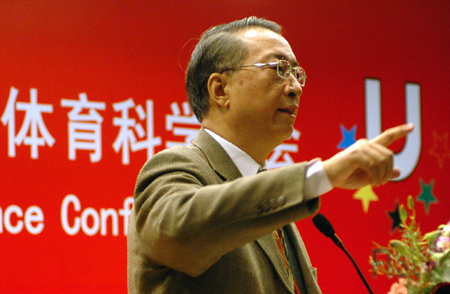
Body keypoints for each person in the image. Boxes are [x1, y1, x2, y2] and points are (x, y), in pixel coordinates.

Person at [127, 16, 414, 294]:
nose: (296, 88)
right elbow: (180, 235)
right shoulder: (176, 166)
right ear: (220, 89)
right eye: (279, 68)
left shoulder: (274, 205)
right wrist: (321, 175)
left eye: (297, 73)